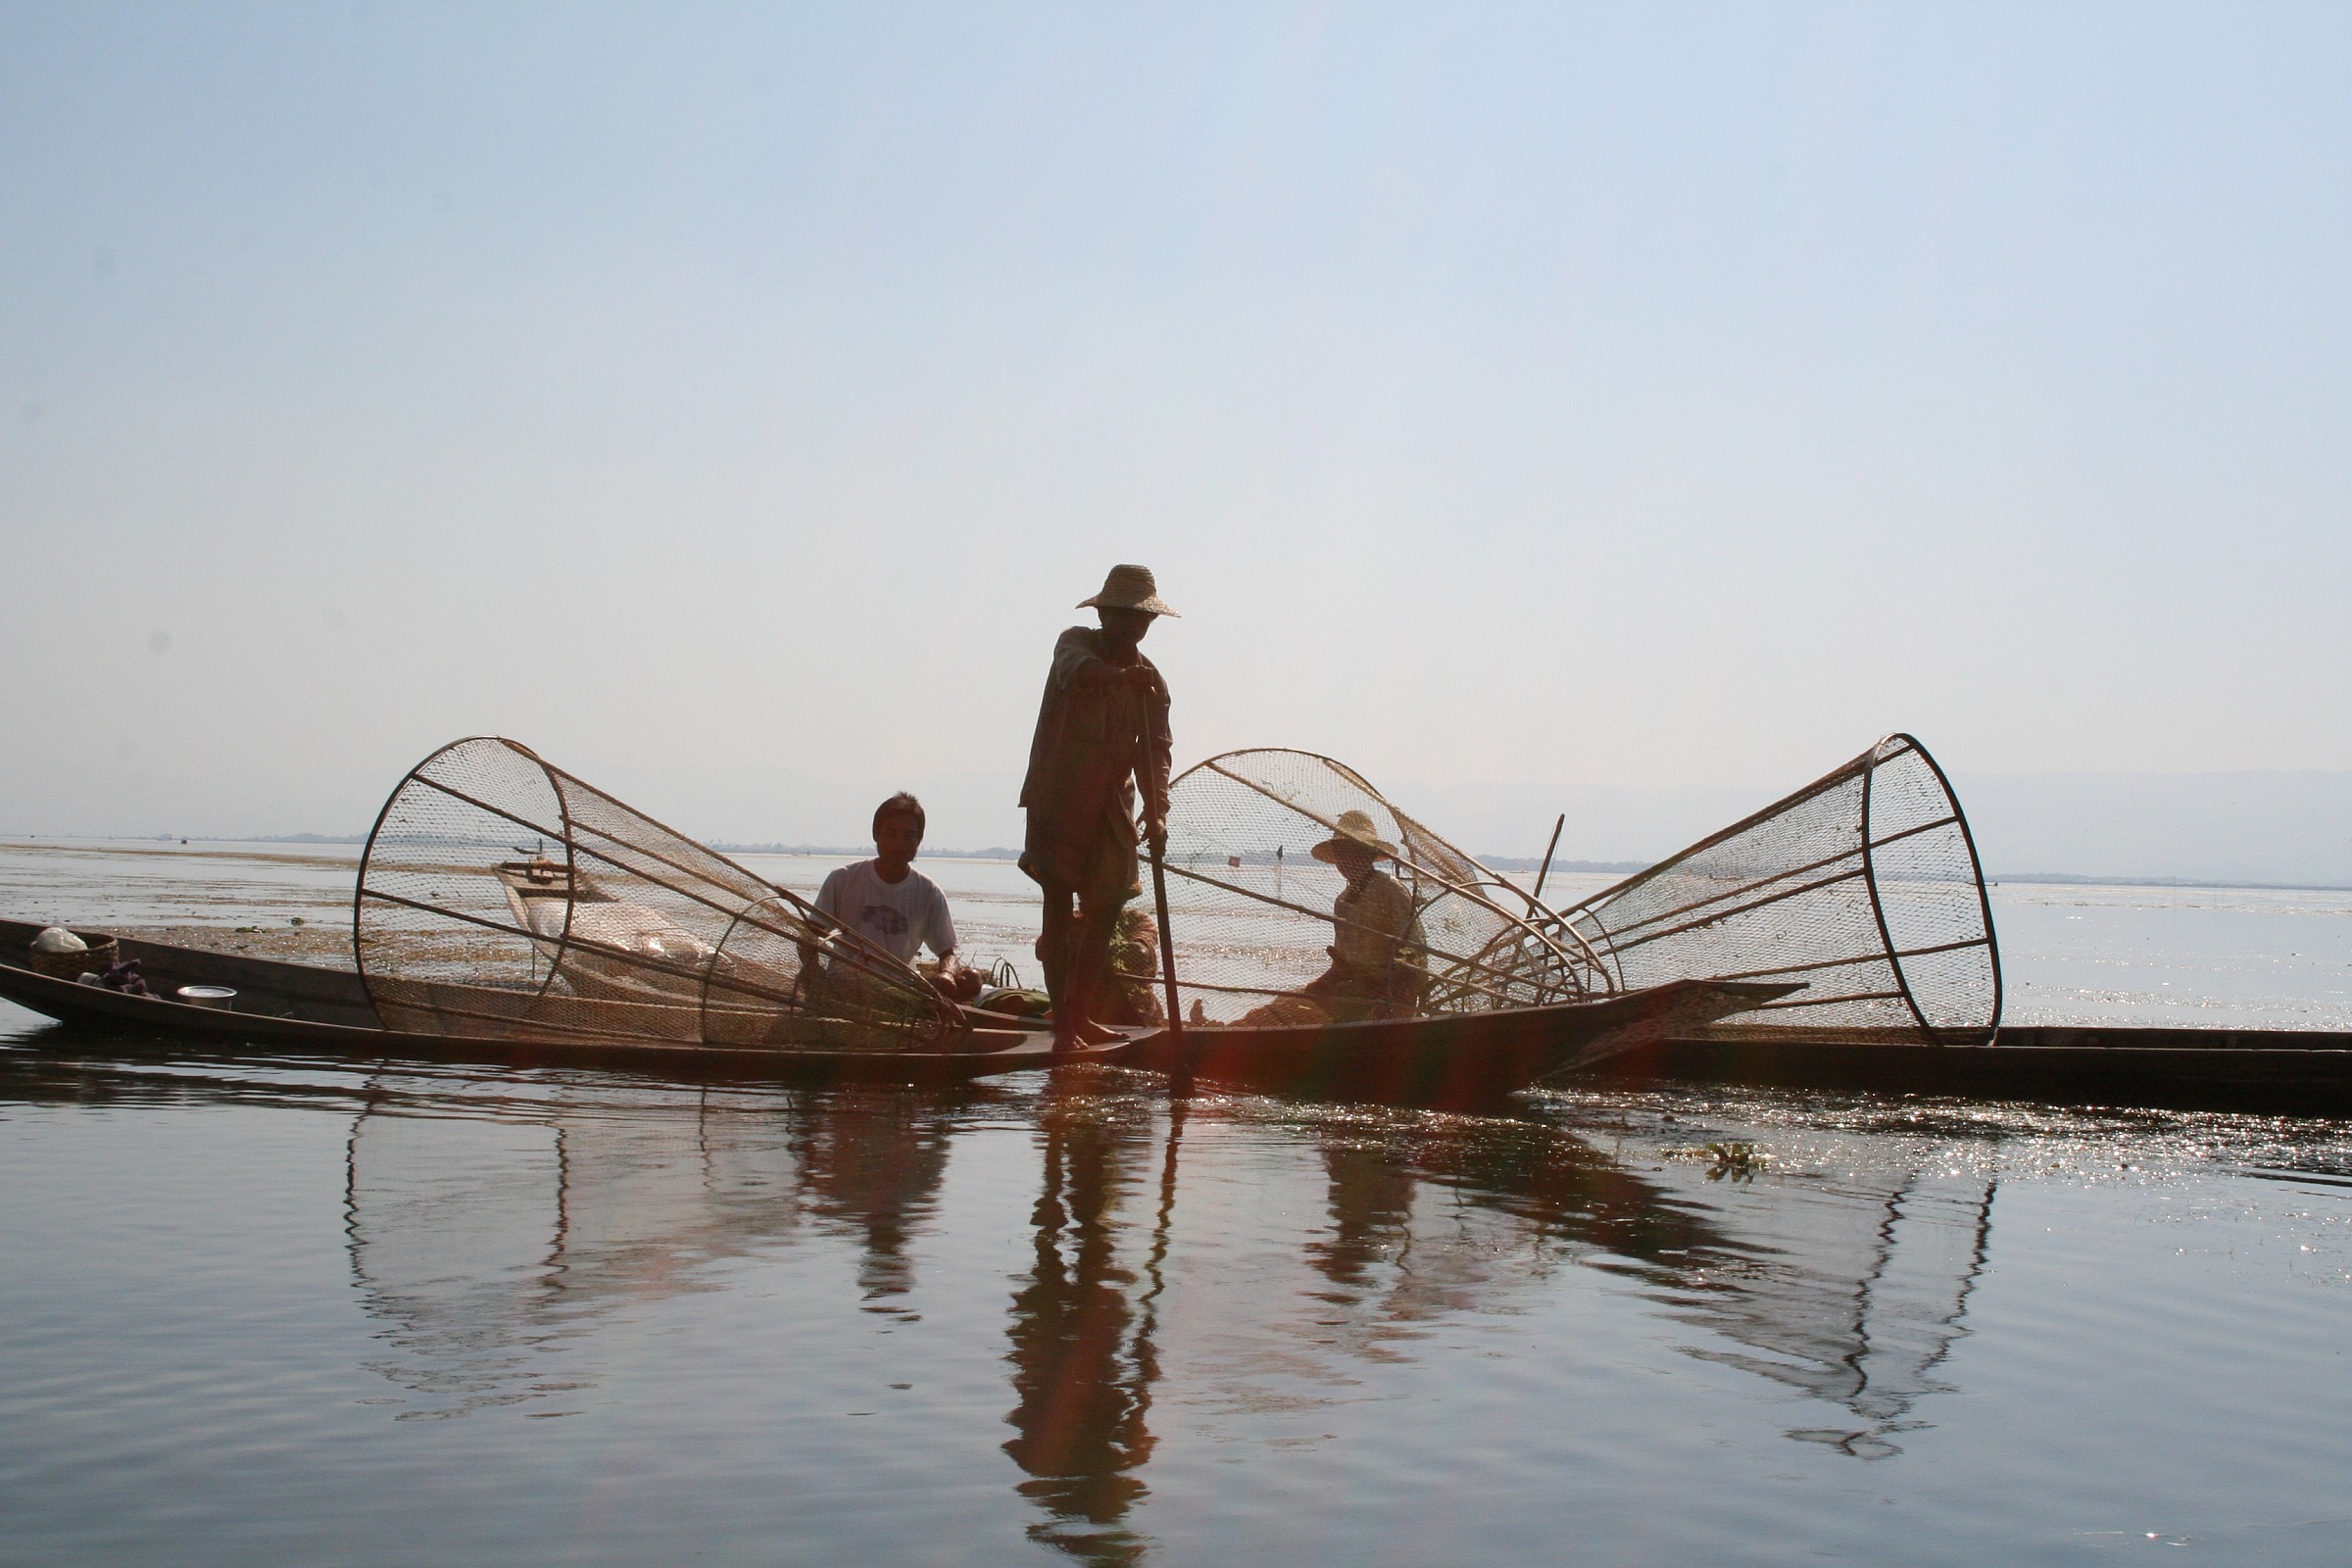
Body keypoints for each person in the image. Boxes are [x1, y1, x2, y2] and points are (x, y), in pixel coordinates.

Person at [1018, 564, 1175, 1048]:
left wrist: (1157, 809)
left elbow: (1155, 749)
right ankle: (1063, 1022)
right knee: (1058, 907)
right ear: (1105, 614)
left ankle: (1080, 1014)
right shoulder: (1076, 643)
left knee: (1106, 908)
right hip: (1059, 798)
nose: (1133, 626)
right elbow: (1079, 672)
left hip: (1111, 806)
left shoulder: (1151, 681)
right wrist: (1118, 677)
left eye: (1141, 618)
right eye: (1123, 615)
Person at [813, 792, 965, 998]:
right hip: (845, 983)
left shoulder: (929, 893)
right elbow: (811, 934)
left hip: (897, 990)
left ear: (919, 841)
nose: (899, 843)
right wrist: (815, 977)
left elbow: (947, 953)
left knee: (972, 979)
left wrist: (947, 973)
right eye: (891, 833)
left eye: (908, 836)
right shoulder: (843, 879)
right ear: (876, 834)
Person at [1295, 809, 1427, 1023]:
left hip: (1393, 989)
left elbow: (1413, 953)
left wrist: (1387, 993)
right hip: (1358, 987)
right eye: (1341, 853)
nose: (1347, 860)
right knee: (1307, 999)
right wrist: (1318, 988)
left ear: (1369, 854)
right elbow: (1343, 962)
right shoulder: (1343, 902)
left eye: (1354, 851)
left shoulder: (1389, 890)